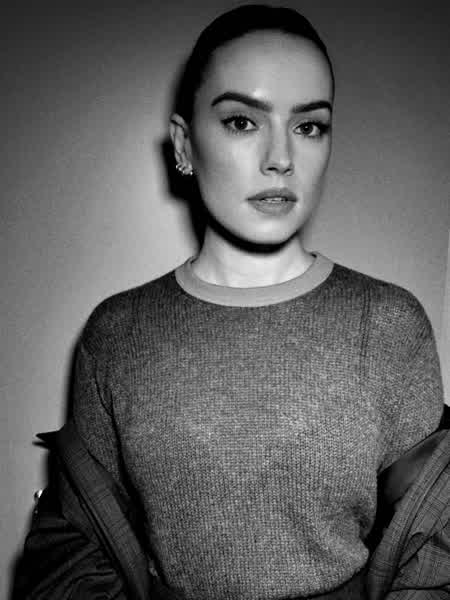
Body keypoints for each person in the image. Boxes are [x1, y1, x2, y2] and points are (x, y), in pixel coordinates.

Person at [17, 4, 445, 599]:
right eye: (242, 122)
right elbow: (75, 552)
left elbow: (434, 555)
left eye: (309, 126)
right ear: (184, 145)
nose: (281, 158)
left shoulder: (390, 324)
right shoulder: (116, 335)